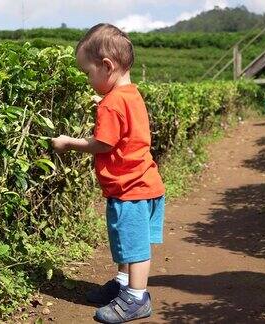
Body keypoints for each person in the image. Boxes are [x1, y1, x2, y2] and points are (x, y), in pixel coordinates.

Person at [51, 23, 165, 323]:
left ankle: (136, 298)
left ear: (106, 66)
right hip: (146, 183)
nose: (89, 81)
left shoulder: (111, 105)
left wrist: (67, 142)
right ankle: (124, 284)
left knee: (134, 246)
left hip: (130, 190)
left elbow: (103, 143)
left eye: (88, 73)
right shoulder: (130, 94)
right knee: (129, 241)